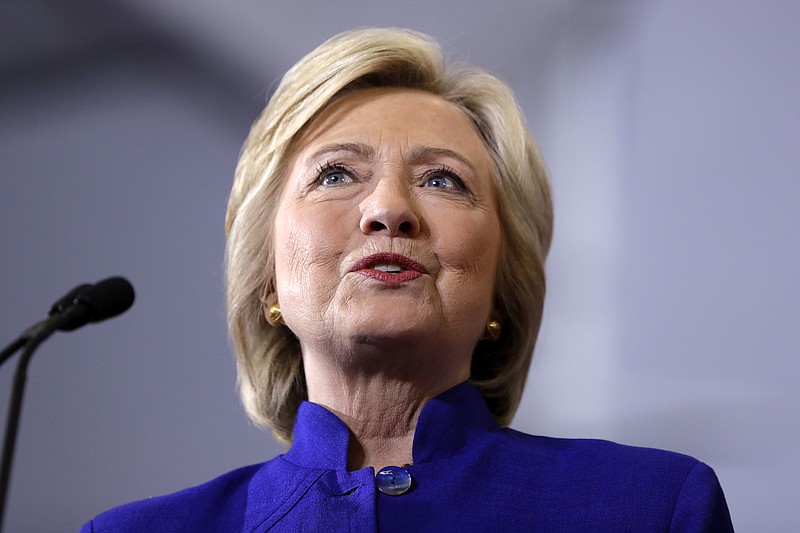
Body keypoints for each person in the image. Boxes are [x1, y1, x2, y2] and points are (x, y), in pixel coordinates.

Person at [82, 28, 733, 531]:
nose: (388, 208)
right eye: (335, 174)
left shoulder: (651, 507)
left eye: (442, 179)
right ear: (267, 280)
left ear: (502, 290)